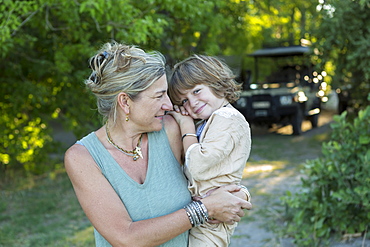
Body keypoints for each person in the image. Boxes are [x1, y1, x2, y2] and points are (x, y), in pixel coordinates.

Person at [64, 41, 252, 247]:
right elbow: (126, 238)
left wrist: (238, 195)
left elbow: (215, 171)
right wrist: (204, 209)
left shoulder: (171, 129)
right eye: (159, 95)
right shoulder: (83, 158)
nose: (169, 105)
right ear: (125, 102)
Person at [167, 54, 252, 246]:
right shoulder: (210, 121)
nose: (192, 103)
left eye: (196, 91)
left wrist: (185, 124)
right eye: (184, 101)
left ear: (217, 82)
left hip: (212, 222)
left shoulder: (227, 118)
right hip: (203, 212)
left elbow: (197, 165)